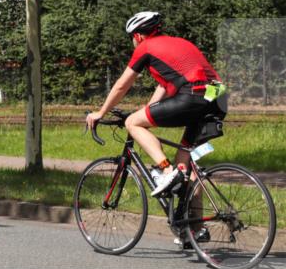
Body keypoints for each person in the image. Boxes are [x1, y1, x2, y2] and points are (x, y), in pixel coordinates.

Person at [85, 12, 227, 243]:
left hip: (193, 95)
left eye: (132, 37)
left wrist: (101, 113)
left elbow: (122, 85)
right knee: (185, 164)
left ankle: (166, 171)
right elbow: (162, 91)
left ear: (139, 36)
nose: (132, 41)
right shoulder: (178, 43)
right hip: (217, 96)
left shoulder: (146, 47)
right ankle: (195, 229)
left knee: (133, 123)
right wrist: (145, 113)